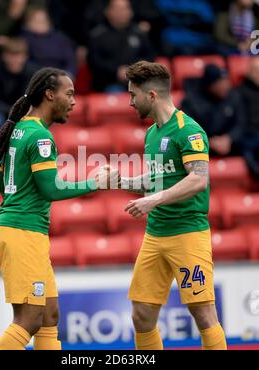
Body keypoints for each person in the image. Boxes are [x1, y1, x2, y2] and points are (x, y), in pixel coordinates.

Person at [0, 67, 118, 350]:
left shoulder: (19, 128)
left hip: (21, 229)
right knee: (29, 319)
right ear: (49, 94)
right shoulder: (41, 138)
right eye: (69, 94)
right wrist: (95, 182)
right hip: (23, 232)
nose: (73, 101)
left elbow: (2, 183)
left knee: (49, 315)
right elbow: (52, 188)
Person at [118, 61, 227, 350]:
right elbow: (157, 180)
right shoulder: (152, 134)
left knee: (203, 315)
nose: (130, 102)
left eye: (133, 95)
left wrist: (154, 200)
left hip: (187, 234)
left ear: (151, 96)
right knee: (141, 315)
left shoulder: (188, 131)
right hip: (155, 236)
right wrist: (120, 181)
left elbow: (198, 180)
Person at [87, 0, 154, 92]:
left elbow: (149, 57)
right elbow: (94, 62)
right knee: (114, 90)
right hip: (108, 83)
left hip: (138, 81)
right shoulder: (97, 36)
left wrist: (134, 71)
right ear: (108, 12)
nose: (123, 12)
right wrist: (116, 71)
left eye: (126, 8)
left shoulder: (140, 34)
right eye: (118, 9)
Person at [181, 64, 246, 156]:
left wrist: (229, 138)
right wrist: (209, 141)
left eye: (226, 81)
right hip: (201, 145)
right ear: (210, 85)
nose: (225, 86)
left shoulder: (233, 96)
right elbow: (186, 129)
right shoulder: (191, 101)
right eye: (220, 83)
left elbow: (240, 123)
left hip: (230, 144)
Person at [0, 38, 38, 131]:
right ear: (3, 56)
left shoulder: (33, 73)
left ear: (25, 57)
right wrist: (11, 111)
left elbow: (33, 100)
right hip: (2, 112)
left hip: (26, 112)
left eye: (18, 56)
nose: (15, 60)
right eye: (11, 56)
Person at [238, 57, 259, 177]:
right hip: (249, 134)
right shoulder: (240, 92)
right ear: (250, 73)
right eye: (257, 71)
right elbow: (240, 120)